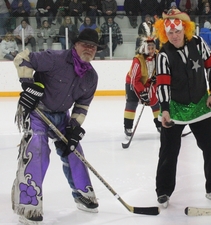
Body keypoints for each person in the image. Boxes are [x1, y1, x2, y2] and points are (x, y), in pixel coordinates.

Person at [12, 28, 103, 224]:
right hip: (38, 112)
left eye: (93, 47)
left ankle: (82, 194)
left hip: (62, 116)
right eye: (85, 44)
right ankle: (29, 203)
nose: (89, 49)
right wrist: (28, 85)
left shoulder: (91, 77)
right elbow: (22, 57)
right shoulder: (55, 59)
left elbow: (82, 105)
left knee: (74, 150)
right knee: (37, 149)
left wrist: (74, 128)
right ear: (75, 45)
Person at [153, 9, 211, 208]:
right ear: (164, 34)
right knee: (168, 151)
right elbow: (163, 83)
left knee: (210, 147)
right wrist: (164, 109)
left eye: (177, 31)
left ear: (184, 29)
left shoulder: (199, 43)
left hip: (201, 104)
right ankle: (163, 191)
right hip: (175, 107)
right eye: (170, 33)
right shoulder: (163, 55)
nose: (174, 36)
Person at [124, 37, 161, 137]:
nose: (151, 50)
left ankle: (160, 125)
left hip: (149, 82)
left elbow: (161, 69)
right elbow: (134, 79)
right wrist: (142, 92)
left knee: (155, 102)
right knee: (132, 103)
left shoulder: (158, 56)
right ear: (144, 48)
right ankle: (128, 126)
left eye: (153, 47)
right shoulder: (138, 59)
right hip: (132, 82)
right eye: (149, 47)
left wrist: (155, 77)